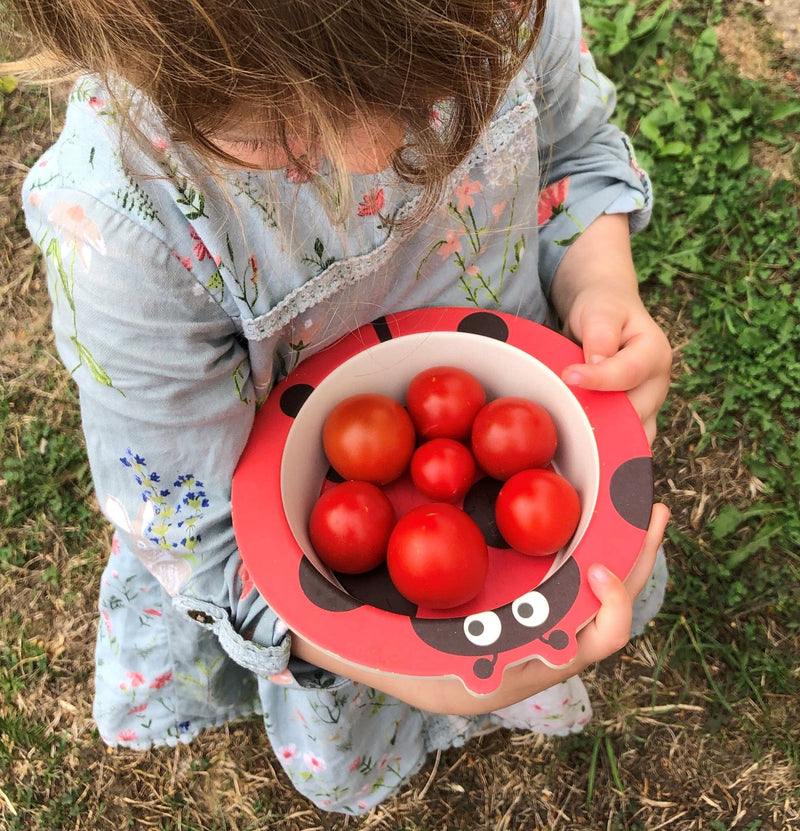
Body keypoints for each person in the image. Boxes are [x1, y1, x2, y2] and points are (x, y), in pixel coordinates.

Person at [10, 0, 671, 814]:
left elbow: (574, 147)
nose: (377, 155)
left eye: (424, 85)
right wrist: (416, 671)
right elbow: (194, 529)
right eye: (274, 130)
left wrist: (601, 285)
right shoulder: (126, 226)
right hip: (318, 594)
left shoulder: (503, 14)